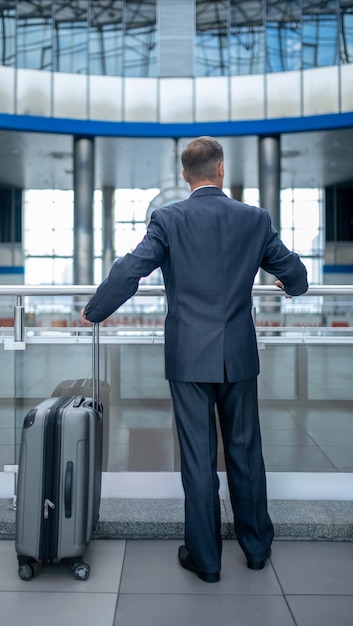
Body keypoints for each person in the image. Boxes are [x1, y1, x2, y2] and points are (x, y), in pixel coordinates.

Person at [81, 136, 308, 583]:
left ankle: (206, 559)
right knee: (245, 451)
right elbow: (295, 273)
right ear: (220, 170)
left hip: (188, 357)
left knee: (199, 458)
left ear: (186, 175)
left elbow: (130, 269)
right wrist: (291, 286)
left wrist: (95, 310)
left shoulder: (168, 219)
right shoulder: (254, 219)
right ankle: (257, 549)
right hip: (239, 355)